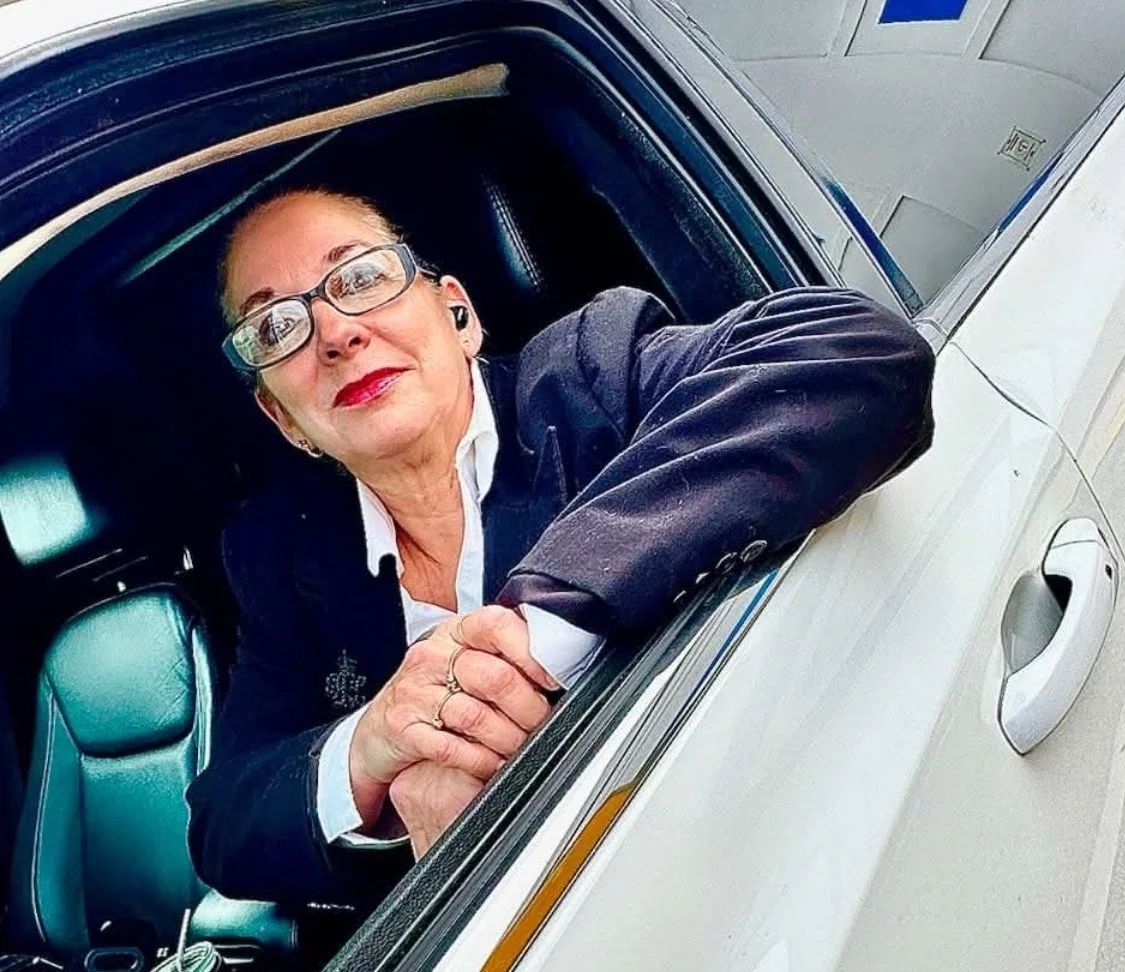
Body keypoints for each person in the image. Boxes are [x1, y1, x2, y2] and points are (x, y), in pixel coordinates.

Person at [186, 186, 935, 908]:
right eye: (276, 328)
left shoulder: (590, 376)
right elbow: (223, 826)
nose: (336, 334)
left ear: (457, 314)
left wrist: (525, 644)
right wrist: (372, 747)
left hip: (755, 837)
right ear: (284, 419)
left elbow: (850, 352)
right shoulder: (280, 550)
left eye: (359, 277)